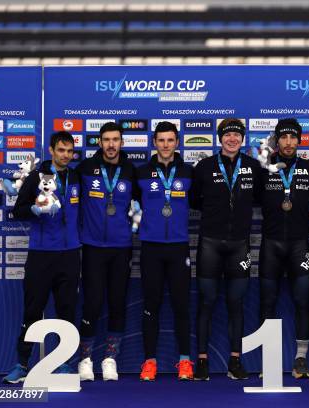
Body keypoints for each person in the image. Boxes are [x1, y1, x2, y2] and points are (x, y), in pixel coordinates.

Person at [3, 131, 81, 383]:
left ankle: (64, 363)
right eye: (61, 150)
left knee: (66, 310)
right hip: (41, 254)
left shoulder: (76, 176)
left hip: (69, 254)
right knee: (33, 310)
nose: (66, 155)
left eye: (69, 151)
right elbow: (18, 210)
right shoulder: (37, 176)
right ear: (51, 150)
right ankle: (22, 364)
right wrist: (36, 209)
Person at [189, 118, 263, 380]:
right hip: (209, 242)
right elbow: (194, 199)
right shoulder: (204, 167)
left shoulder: (254, 167)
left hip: (240, 245)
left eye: (237, 135)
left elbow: (263, 198)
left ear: (243, 139)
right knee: (206, 302)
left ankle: (235, 361)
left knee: (236, 303)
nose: (232, 139)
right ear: (220, 138)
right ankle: (202, 361)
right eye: (227, 134)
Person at [258, 118, 309, 379]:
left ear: (299, 140)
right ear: (277, 140)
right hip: (271, 244)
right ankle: (269, 360)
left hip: (300, 243)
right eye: (283, 138)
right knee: (268, 302)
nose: (288, 142)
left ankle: (301, 359)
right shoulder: (264, 167)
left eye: (293, 138)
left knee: (302, 302)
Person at [76, 122, 139, 381]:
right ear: (99, 143)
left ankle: (110, 358)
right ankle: (85, 359)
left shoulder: (130, 171)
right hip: (92, 247)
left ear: (122, 143)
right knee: (91, 303)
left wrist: (137, 218)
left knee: (116, 302)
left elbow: (140, 205)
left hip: (121, 248)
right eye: (106, 140)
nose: (111, 144)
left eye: (116, 140)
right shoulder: (85, 169)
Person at [135, 121, 194, 381]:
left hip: (179, 247)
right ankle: (150, 361)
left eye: (170, 140)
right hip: (150, 247)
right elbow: (132, 205)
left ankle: (184, 361)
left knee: (181, 305)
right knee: (151, 306)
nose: (166, 145)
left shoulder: (189, 172)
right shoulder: (141, 172)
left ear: (177, 143)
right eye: (161, 140)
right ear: (154, 142)